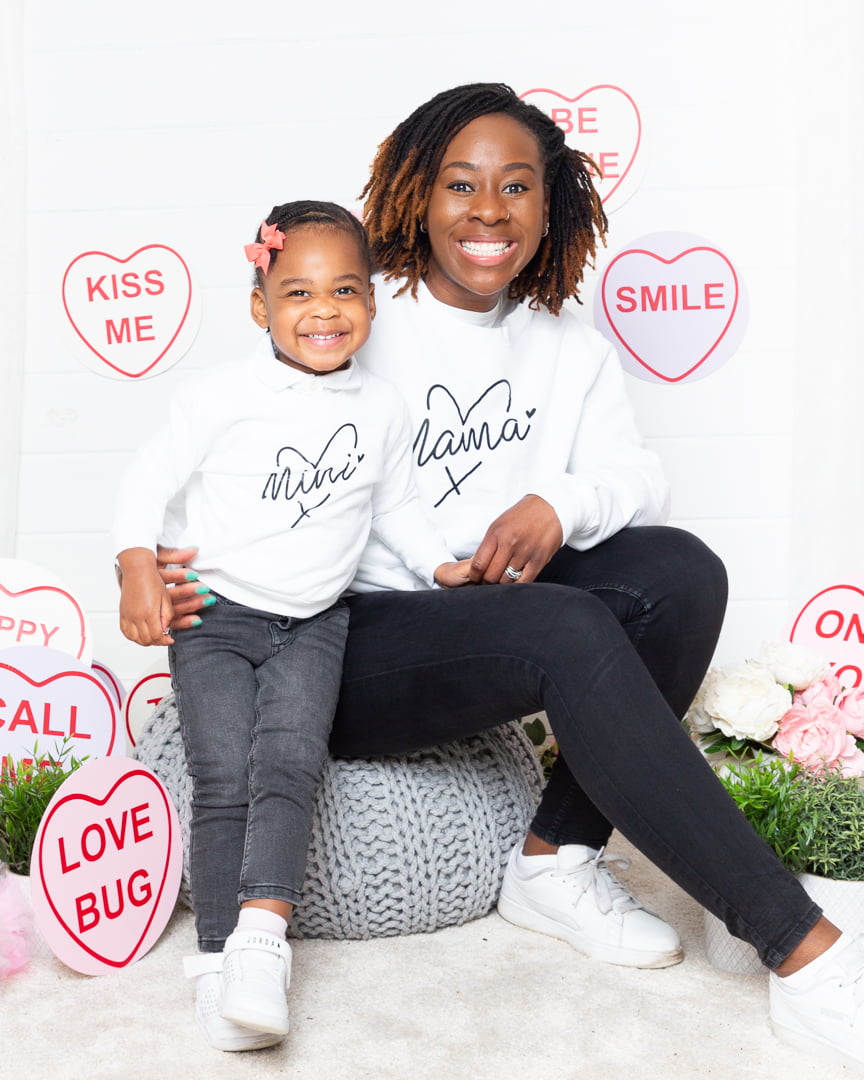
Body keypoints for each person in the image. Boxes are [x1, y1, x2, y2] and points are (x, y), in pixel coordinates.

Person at [153, 85, 864, 1071]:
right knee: (563, 629)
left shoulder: (568, 351)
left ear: (551, 206)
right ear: (415, 194)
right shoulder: (354, 315)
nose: (488, 210)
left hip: (477, 625)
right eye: (460, 183)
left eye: (516, 186)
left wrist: (553, 509)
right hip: (335, 644)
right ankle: (805, 950)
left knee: (680, 573)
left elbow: (634, 477)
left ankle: (556, 858)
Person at [113, 200, 469, 1053]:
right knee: (224, 771)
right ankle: (212, 962)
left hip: (315, 621)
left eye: (345, 290)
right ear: (259, 305)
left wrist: (445, 570)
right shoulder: (220, 397)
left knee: (289, 765)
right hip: (219, 615)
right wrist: (135, 565)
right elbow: (146, 477)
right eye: (298, 291)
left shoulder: (380, 405)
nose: (323, 310)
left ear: (372, 305)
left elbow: (398, 507)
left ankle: (261, 945)